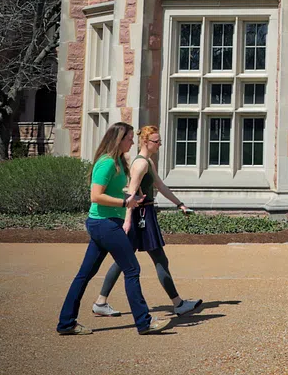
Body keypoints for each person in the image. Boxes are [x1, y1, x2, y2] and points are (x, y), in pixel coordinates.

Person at [56, 121, 166, 335]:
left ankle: (66, 323)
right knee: (132, 270)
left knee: (84, 275)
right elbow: (95, 196)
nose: (132, 141)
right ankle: (144, 322)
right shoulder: (107, 163)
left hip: (104, 224)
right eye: (129, 138)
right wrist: (125, 203)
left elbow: (112, 194)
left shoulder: (117, 162)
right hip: (105, 225)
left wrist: (131, 198)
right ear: (119, 139)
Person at [92, 125, 202, 318]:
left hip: (145, 214)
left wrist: (180, 204)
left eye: (159, 141)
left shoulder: (147, 162)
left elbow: (160, 185)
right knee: (158, 259)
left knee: (124, 260)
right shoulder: (140, 164)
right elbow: (130, 192)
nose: (159, 144)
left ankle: (101, 301)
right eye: (156, 141)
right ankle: (178, 303)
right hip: (140, 216)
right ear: (145, 142)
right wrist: (127, 221)